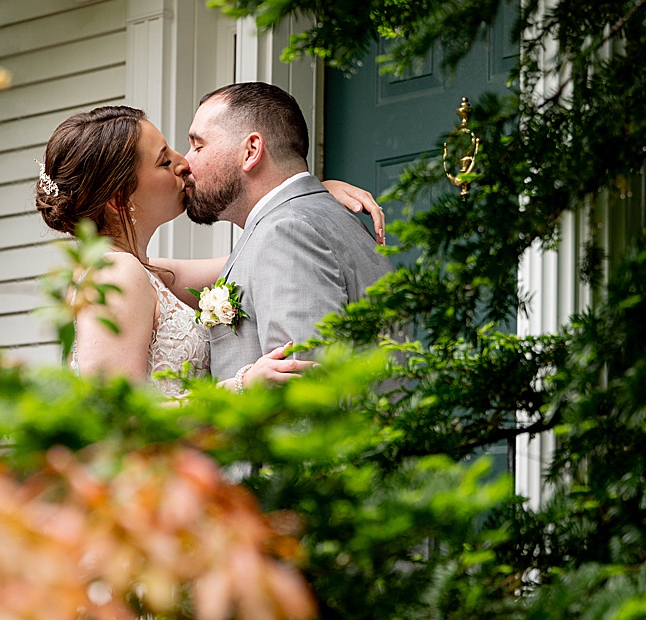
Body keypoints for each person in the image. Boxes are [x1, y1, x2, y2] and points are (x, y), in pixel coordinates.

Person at [36, 102, 386, 397]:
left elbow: (261, 254)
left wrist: (303, 194)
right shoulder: (115, 274)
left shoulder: (135, 271)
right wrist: (241, 387)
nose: (184, 164)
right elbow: (117, 421)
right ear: (118, 198)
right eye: (163, 161)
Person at [171, 81, 391, 385]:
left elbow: (302, 391)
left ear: (251, 150)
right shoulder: (311, 221)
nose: (185, 162)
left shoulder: (286, 232)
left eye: (198, 145)